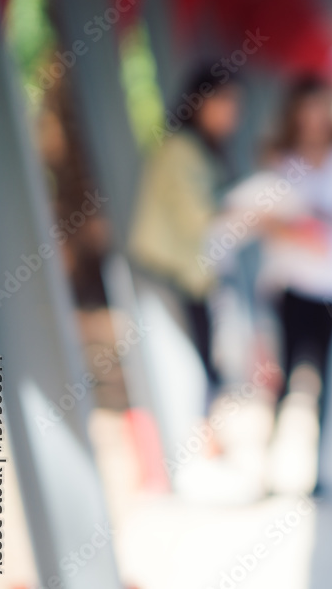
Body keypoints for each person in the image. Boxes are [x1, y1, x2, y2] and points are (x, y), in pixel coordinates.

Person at [254, 75, 332, 496]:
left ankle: (317, 474)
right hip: (291, 284)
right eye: (305, 110)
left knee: (323, 381)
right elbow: (267, 220)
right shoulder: (280, 159)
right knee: (286, 377)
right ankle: (270, 470)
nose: (313, 119)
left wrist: (319, 218)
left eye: (320, 109)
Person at [129, 66, 241, 413]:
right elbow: (201, 220)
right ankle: (197, 446)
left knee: (201, 365)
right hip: (169, 275)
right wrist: (261, 215)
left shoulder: (197, 149)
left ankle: (205, 438)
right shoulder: (181, 150)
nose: (233, 114)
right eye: (226, 102)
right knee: (188, 371)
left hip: (187, 278)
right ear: (200, 102)